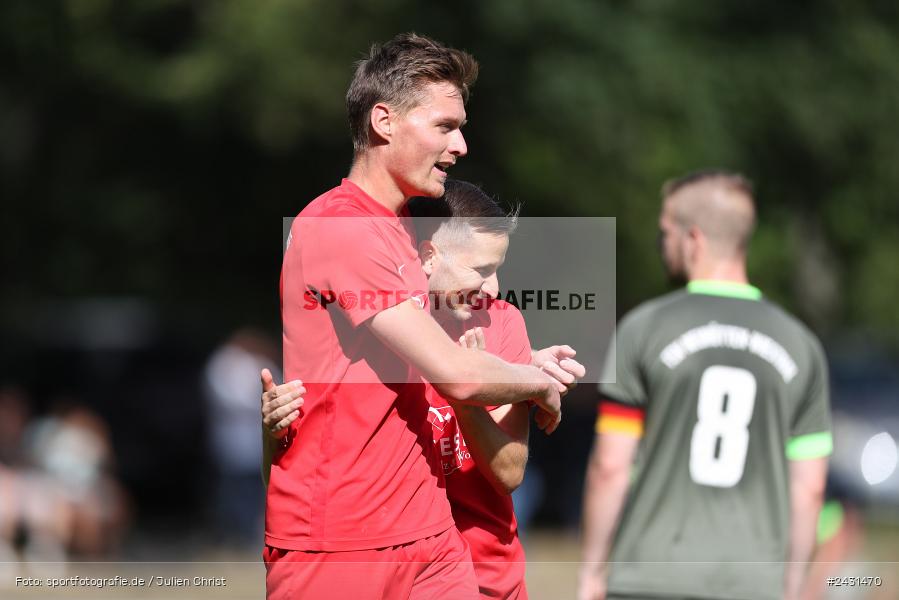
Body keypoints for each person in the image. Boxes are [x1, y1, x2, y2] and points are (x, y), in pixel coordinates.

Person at [267, 34, 563, 600]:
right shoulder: (341, 226)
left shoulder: (405, 229)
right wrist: (534, 379)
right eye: (445, 126)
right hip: (342, 540)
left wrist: (518, 362)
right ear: (384, 121)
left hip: (429, 536)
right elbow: (456, 375)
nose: (461, 145)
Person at [263, 179, 585, 599]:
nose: (494, 289)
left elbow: (509, 473)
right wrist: (272, 432)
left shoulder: (499, 321)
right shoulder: (370, 333)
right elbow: (299, 475)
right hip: (391, 562)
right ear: (429, 256)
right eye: (481, 270)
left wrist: (468, 393)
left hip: (488, 577)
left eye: (497, 269)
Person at [579, 171, 832, 600]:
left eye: (665, 233)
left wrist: (592, 572)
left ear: (692, 239)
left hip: (650, 579)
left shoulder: (644, 329)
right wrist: (791, 587)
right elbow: (809, 489)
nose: (661, 245)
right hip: (753, 585)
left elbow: (610, 468)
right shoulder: (801, 345)